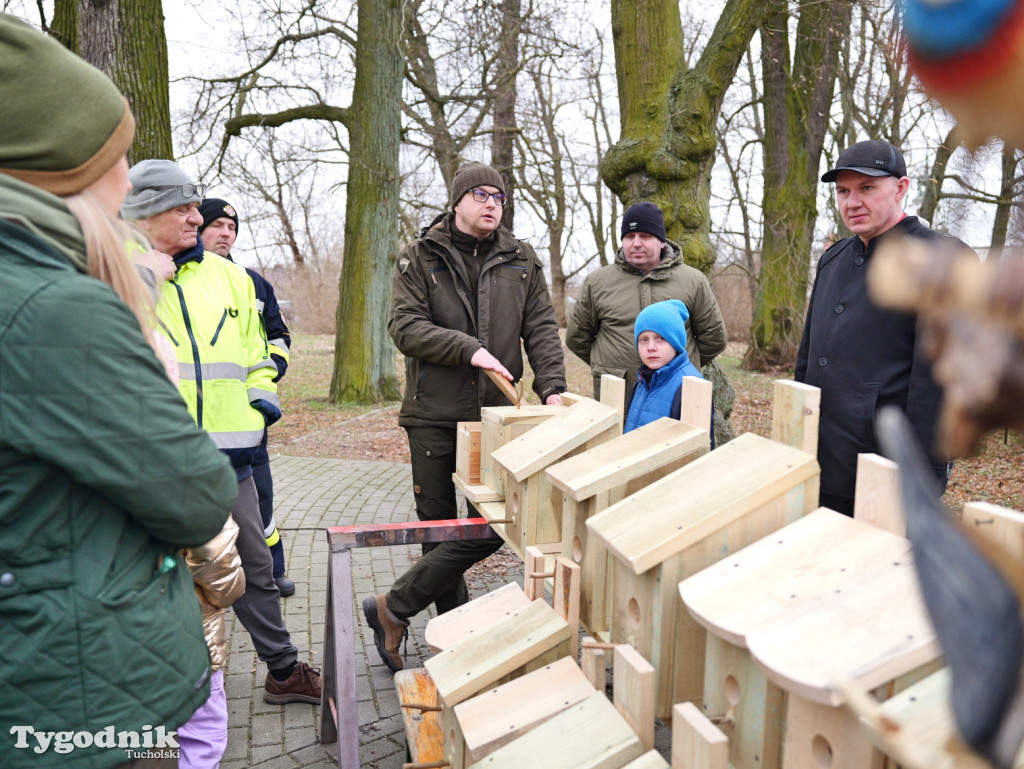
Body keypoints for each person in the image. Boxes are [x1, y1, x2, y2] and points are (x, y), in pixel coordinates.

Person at [0, 14, 239, 768]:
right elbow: (196, 493)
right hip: (63, 690)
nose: (129, 174)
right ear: (63, 166)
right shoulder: (53, 306)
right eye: (118, 154)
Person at [121, 162, 321, 705]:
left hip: (231, 460)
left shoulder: (233, 277)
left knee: (254, 567)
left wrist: (260, 404)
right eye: (183, 208)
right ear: (141, 211)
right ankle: (170, 696)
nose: (197, 217)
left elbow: (258, 353)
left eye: (197, 205)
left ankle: (282, 671)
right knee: (159, 578)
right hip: (150, 467)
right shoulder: (110, 274)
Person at [363, 162, 567, 672]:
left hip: (497, 419)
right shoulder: (420, 255)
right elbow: (404, 326)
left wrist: (554, 389)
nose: (492, 203)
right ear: (458, 201)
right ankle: (452, 641)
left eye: (499, 196)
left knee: (494, 524)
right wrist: (468, 349)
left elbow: (541, 327)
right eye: (480, 194)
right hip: (433, 415)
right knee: (439, 529)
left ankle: (395, 606)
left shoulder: (522, 260)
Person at [795, 139, 959, 516]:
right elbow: (807, 360)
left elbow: (936, 385)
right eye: (843, 191)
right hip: (818, 462)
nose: (851, 202)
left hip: (884, 469)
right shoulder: (832, 260)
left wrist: (922, 475)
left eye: (866, 188)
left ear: (901, 188)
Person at [198, 198, 295, 597]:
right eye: (217, 224)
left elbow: (278, 339)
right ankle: (217, 581)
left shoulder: (252, 283)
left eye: (232, 227)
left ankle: (272, 573)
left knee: (261, 503)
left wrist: (260, 394)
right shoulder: (173, 280)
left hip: (248, 421)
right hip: (201, 423)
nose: (225, 233)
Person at [566, 201, 727, 399]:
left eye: (645, 236)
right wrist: (607, 365)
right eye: (629, 236)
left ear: (661, 241)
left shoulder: (693, 281)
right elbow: (576, 337)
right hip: (617, 396)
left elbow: (714, 338)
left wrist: (679, 366)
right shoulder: (597, 282)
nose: (636, 243)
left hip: (677, 396)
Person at [624, 300, 705, 433]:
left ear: (676, 342)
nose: (651, 347)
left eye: (660, 338)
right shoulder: (641, 383)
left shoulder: (690, 388)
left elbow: (699, 448)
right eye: (644, 339)